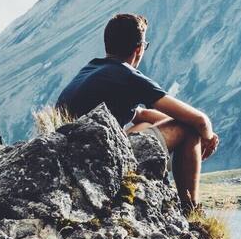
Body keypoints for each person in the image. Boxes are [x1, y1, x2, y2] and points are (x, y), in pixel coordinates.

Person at [56, 13, 219, 209]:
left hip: (69, 157)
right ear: (139, 49)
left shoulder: (92, 69)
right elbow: (200, 121)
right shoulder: (127, 75)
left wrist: (183, 122)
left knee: (153, 123)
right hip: (98, 162)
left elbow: (141, 115)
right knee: (191, 129)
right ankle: (191, 208)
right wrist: (207, 136)